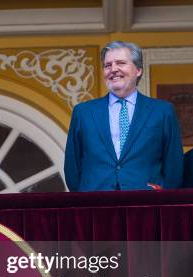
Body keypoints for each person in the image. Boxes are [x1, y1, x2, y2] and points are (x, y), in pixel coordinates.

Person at [64, 41, 183, 191]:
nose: (113, 69)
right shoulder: (83, 112)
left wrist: (162, 195)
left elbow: (174, 165)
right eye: (108, 65)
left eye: (120, 63)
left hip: (146, 203)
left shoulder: (162, 111)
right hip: (95, 203)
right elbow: (72, 166)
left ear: (138, 70)